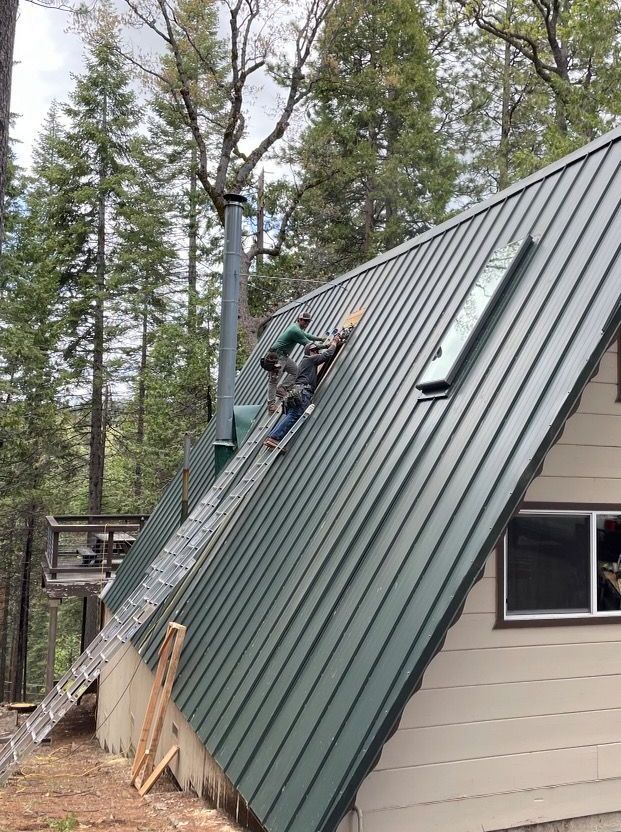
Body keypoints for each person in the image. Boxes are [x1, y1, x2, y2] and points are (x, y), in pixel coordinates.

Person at [264, 335, 341, 448]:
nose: (317, 353)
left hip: (296, 391)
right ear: (310, 351)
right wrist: (334, 342)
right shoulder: (309, 359)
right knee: (295, 415)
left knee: (291, 415)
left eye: (317, 351)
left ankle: (272, 437)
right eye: (315, 351)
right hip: (303, 392)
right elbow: (327, 355)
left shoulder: (305, 363)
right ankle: (274, 438)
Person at [264, 310, 326, 413]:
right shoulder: (295, 330)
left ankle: (282, 388)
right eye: (305, 321)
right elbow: (308, 344)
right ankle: (271, 405)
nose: (306, 323)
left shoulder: (297, 327)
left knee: (295, 371)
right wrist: (326, 346)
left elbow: (307, 335)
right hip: (276, 357)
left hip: (284, 356)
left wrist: (320, 338)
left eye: (308, 322)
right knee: (273, 380)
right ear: (300, 319)